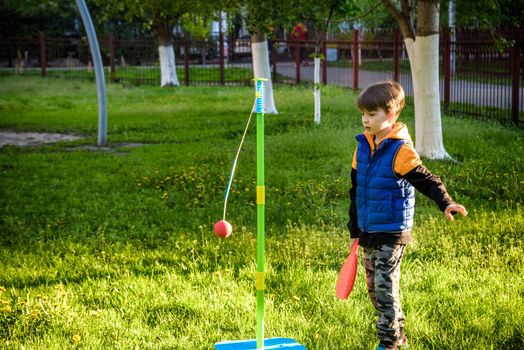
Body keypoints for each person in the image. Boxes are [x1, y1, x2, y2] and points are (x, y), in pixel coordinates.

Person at [347, 81, 467, 350]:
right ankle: (398, 334)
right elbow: (356, 189)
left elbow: (426, 179)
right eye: (362, 114)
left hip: (391, 231)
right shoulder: (362, 147)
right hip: (368, 231)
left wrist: (445, 202)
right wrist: (354, 229)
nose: (365, 119)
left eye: (371, 114)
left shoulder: (400, 150)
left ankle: (388, 343)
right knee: (374, 292)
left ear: (390, 114)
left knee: (384, 289)